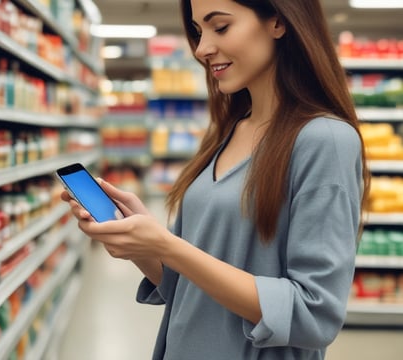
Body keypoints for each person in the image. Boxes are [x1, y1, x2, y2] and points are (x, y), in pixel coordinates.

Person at [62, 0, 371, 359]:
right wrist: (144, 241)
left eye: (220, 27)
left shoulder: (325, 141)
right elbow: (187, 283)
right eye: (198, 31)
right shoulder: (229, 132)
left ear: (278, 22)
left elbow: (314, 315)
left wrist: (167, 246)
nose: (202, 48)